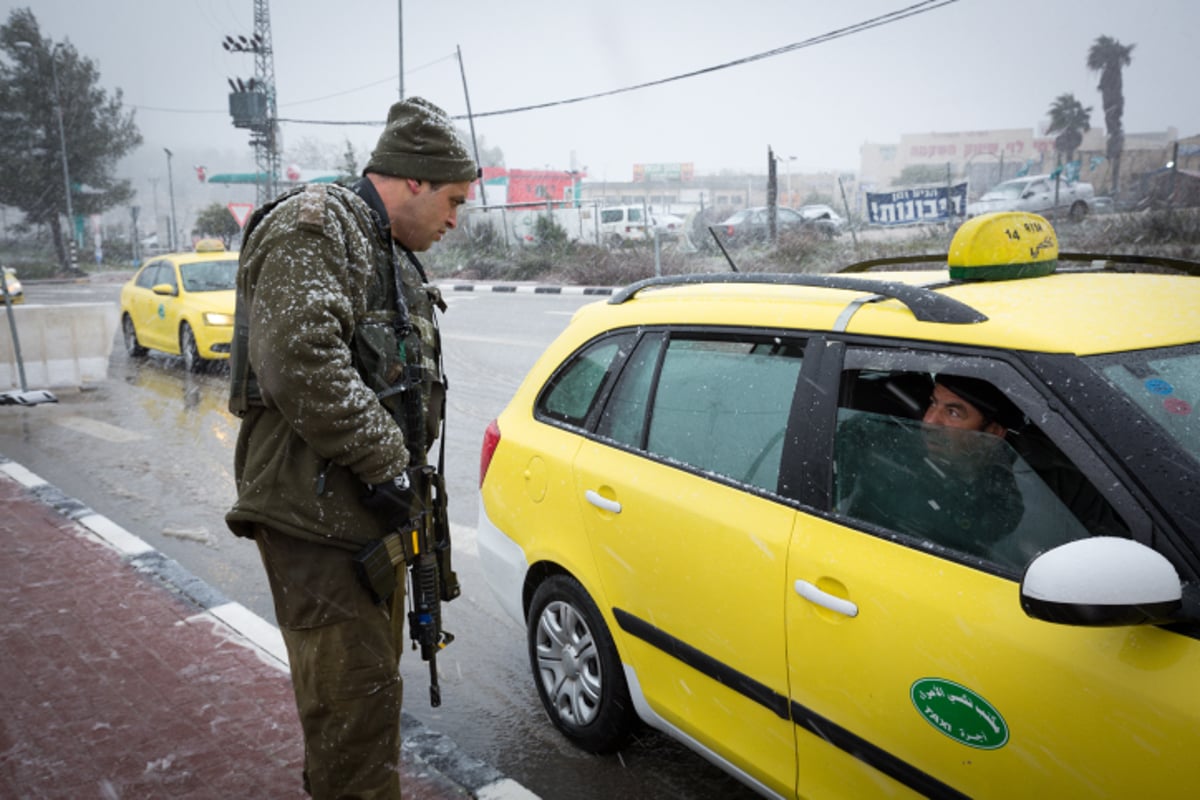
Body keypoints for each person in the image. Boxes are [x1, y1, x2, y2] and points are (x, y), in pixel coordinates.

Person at [225, 96, 477, 799]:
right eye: (453, 199)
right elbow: (296, 357)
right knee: (353, 717)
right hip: (319, 520)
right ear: (414, 180)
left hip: (359, 520)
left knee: (367, 702)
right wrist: (387, 462)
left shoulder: (383, 248)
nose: (456, 219)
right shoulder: (321, 226)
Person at [837, 373, 1025, 557]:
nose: (929, 421)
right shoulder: (880, 441)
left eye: (953, 413)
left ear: (992, 433)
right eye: (933, 403)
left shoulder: (1000, 502)